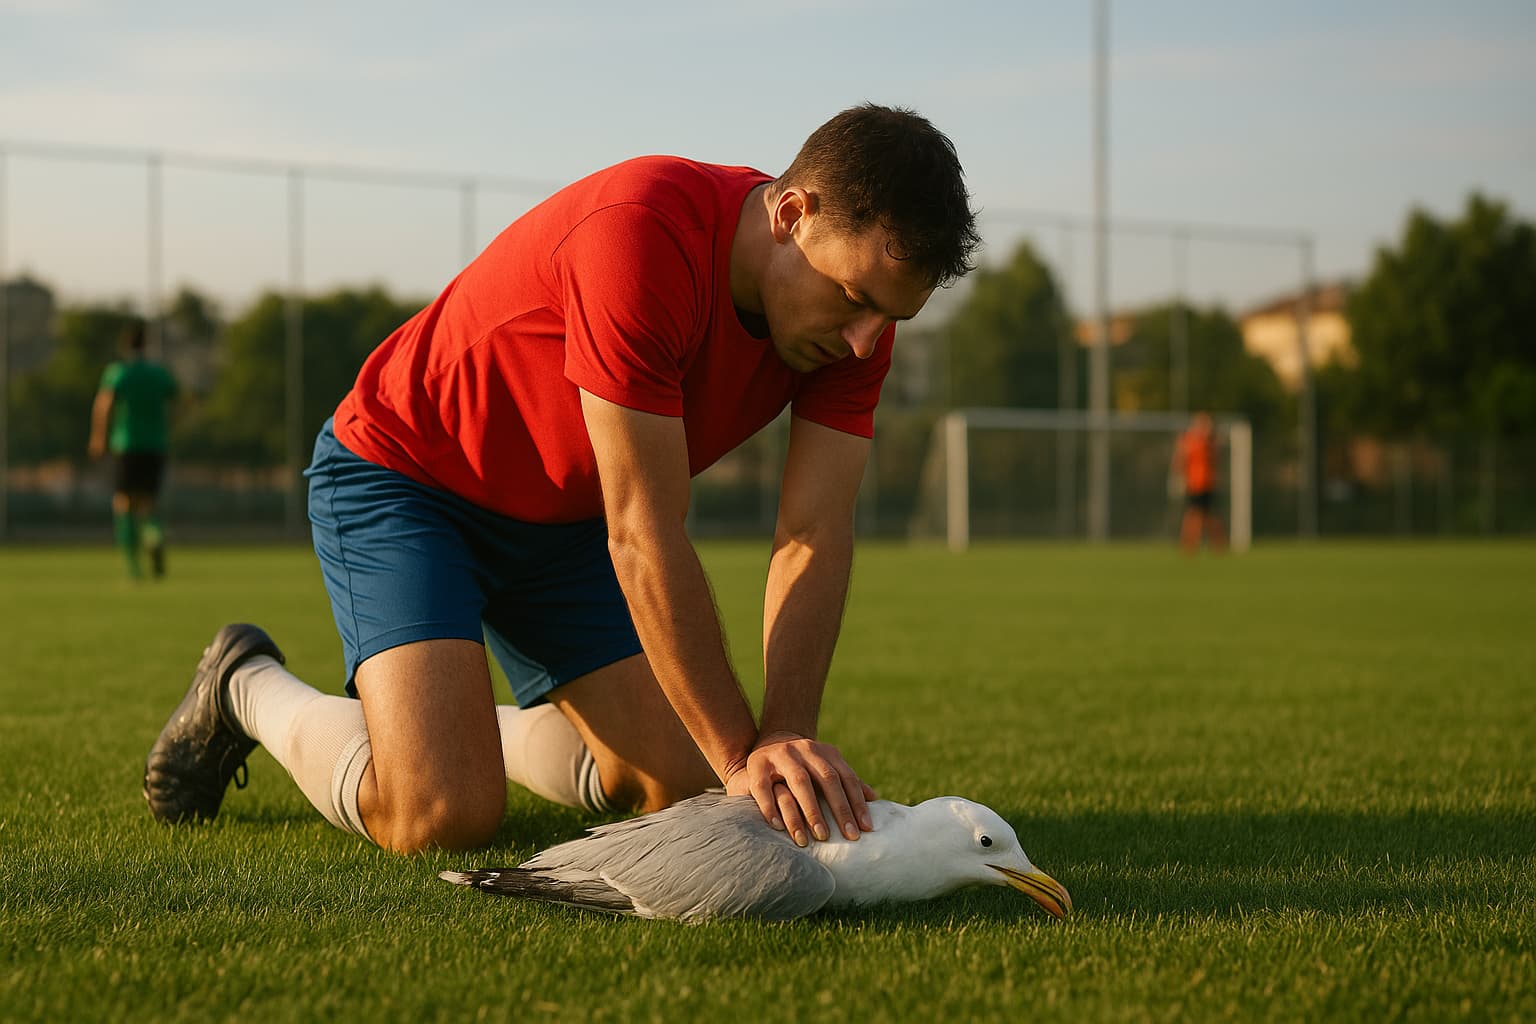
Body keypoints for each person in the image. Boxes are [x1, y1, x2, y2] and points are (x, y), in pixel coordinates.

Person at [143, 104, 981, 854]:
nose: (868, 341)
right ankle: (246, 684)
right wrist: (740, 754)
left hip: (562, 520)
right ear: (791, 213)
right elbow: (643, 531)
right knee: (442, 814)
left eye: (892, 318)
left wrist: (785, 733)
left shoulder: (851, 333)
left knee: (681, 790)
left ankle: (454, 725)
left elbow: (815, 533)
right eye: (852, 297)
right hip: (408, 476)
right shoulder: (645, 232)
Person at [88, 322, 179, 580]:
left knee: (124, 504)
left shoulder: (119, 373)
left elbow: (104, 405)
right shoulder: (158, 374)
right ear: (146, 345)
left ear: (125, 345)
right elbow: (177, 400)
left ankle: (134, 569)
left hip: (127, 444)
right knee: (148, 503)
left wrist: (97, 438)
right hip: (156, 445)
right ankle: (155, 537)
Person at [1170, 411, 1226, 555]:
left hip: (1207, 484)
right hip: (1195, 484)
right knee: (1195, 515)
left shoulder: (1209, 442)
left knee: (1208, 515)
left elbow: (1216, 460)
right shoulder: (1191, 441)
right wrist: (1178, 478)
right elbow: (1180, 458)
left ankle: (1217, 544)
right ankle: (1190, 544)